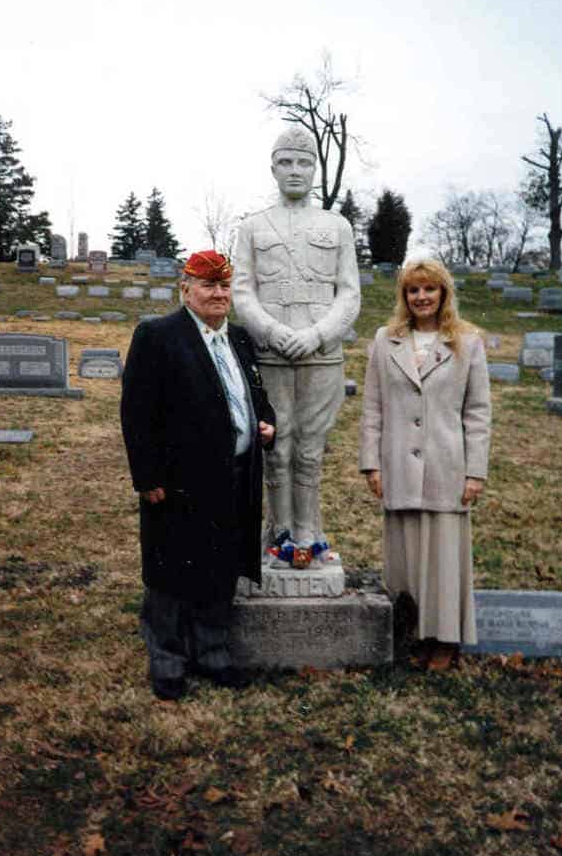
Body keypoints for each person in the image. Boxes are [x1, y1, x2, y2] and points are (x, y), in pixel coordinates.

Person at [120, 250, 276, 700]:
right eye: (208, 285)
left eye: (225, 285)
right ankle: (167, 660)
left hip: (235, 475)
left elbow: (254, 395)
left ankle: (212, 652)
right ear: (185, 289)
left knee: (221, 566)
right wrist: (147, 476)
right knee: (170, 571)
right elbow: (136, 413)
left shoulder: (240, 340)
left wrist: (266, 423)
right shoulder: (159, 336)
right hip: (178, 481)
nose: (219, 294)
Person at [233, 126, 360, 565]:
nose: (295, 170)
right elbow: (242, 291)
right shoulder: (252, 227)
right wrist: (270, 331)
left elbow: (349, 293)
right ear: (272, 168)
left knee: (309, 450)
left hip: (321, 357)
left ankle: (309, 531)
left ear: (315, 170)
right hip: (270, 356)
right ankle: (279, 532)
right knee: (277, 447)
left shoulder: (337, 226)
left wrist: (316, 335)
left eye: (304, 163)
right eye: (286, 162)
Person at [359, 258, 491, 670]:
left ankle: (446, 641)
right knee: (407, 554)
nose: (421, 297)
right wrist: (371, 463)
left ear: (443, 293)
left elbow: (478, 412)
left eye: (429, 289)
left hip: (447, 466)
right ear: (404, 296)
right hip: (398, 465)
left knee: (445, 557)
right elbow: (373, 407)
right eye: (413, 290)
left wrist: (475, 473)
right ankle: (413, 635)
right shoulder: (386, 340)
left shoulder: (466, 343)